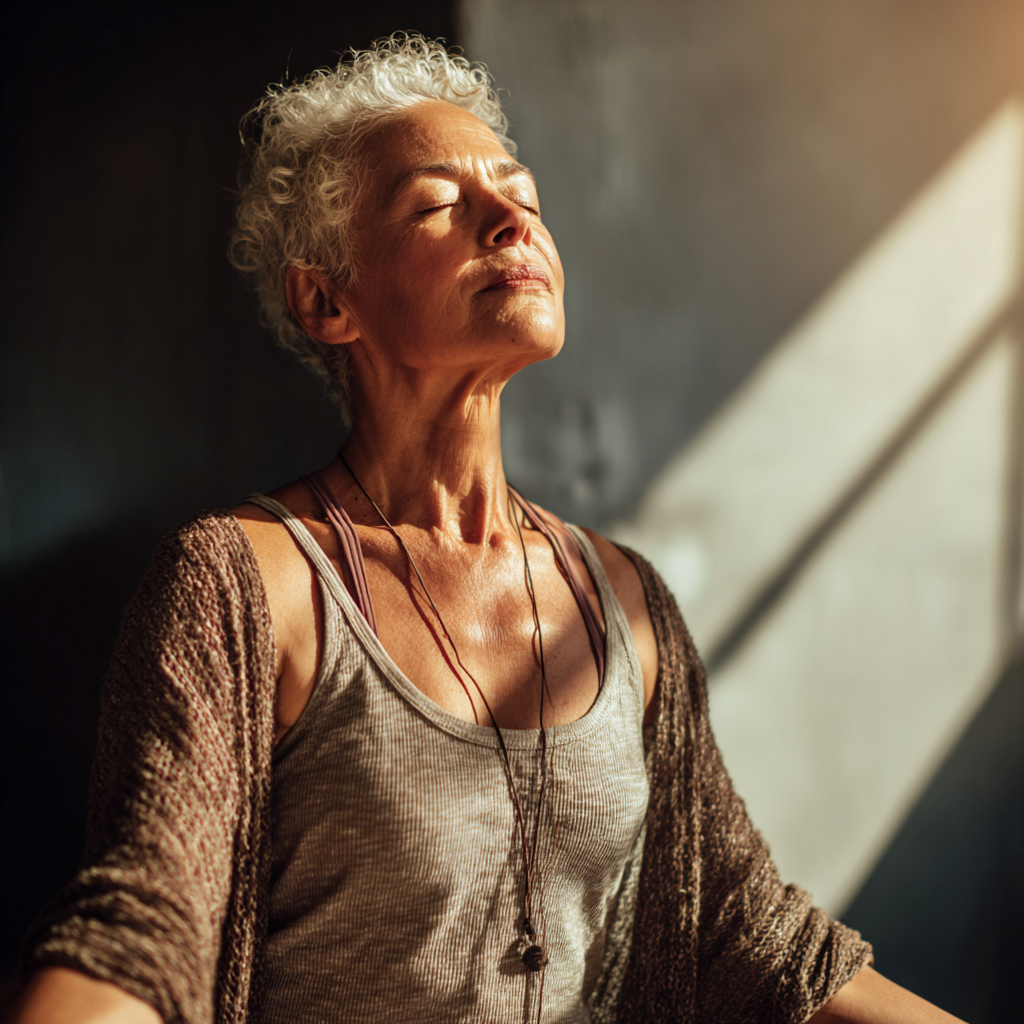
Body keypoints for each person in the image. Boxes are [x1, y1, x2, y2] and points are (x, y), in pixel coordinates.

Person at [10, 34, 963, 1024]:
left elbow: (744, 930)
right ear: (326, 298)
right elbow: (145, 923)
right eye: (438, 206)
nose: (511, 220)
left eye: (526, 198)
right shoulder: (244, 584)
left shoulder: (623, 599)